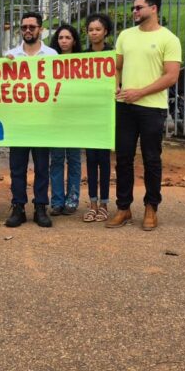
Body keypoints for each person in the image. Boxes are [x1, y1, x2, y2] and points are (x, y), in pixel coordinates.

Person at [108, 0, 181, 232]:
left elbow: (171, 76)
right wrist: (117, 85)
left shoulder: (169, 39)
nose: (134, 12)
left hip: (153, 108)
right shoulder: (125, 36)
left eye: (138, 7)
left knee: (151, 159)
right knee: (123, 159)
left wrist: (140, 92)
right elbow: (116, 66)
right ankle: (123, 208)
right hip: (125, 107)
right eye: (133, 8)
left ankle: (151, 207)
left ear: (154, 8)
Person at [2, 11, 58, 228]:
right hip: (18, 120)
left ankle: (40, 206)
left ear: (40, 29)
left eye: (32, 27)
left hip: (43, 121)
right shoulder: (10, 55)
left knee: (42, 166)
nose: (27, 30)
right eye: (24, 27)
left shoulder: (52, 55)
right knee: (17, 167)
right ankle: (18, 206)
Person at [47, 23, 83, 217]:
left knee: (74, 159)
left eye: (68, 37)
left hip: (75, 118)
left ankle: (73, 199)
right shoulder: (49, 61)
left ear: (74, 41)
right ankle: (57, 201)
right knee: (57, 159)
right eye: (60, 37)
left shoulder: (83, 62)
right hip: (56, 117)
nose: (64, 41)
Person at [82, 13, 115, 223]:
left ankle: (104, 204)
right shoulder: (82, 57)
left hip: (106, 115)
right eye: (91, 30)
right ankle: (92, 204)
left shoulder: (113, 55)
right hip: (88, 115)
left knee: (104, 160)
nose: (94, 33)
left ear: (105, 32)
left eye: (98, 29)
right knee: (91, 160)